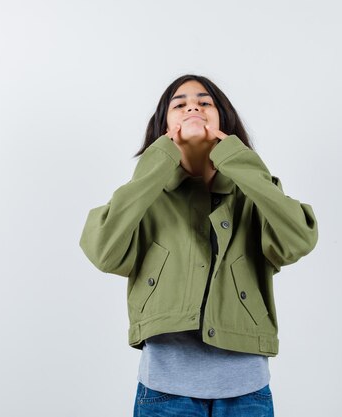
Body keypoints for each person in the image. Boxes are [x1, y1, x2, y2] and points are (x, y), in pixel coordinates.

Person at [79, 74, 319, 416]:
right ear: (164, 128)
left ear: (225, 122)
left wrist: (238, 161)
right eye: (180, 104)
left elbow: (299, 239)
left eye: (205, 102)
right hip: (163, 390)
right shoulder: (144, 197)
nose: (193, 106)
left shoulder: (254, 194)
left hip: (247, 390)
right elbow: (103, 249)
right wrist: (157, 162)